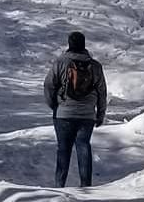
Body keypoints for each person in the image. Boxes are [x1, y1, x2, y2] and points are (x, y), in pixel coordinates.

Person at [43, 31, 107, 188]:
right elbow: (102, 92)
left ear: (69, 44)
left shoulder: (60, 62)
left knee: (63, 150)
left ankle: (59, 187)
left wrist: (54, 106)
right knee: (84, 146)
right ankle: (86, 186)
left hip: (63, 113)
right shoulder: (95, 66)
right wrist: (100, 114)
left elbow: (49, 85)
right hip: (87, 115)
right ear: (84, 44)